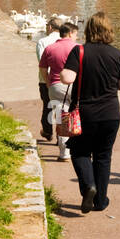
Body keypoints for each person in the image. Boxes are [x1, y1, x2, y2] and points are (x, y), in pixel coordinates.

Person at [60, 12, 120, 213]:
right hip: (111, 114)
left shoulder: (79, 51)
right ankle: (100, 201)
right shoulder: (117, 54)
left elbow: (67, 78)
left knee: (79, 151)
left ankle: (88, 186)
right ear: (109, 31)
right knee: (103, 156)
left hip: (85, 114)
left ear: (89, 30)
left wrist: (63, 70)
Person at [41, 23, 79, 160]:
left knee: (61, 119)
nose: (77, 37)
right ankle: (81, 149)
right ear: (70, 33)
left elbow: (43, 69)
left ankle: (64, 153)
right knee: (78, 116)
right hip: (75, 86)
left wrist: (48, 82)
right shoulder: (78, 48)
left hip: (56, 86)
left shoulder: (49, 48)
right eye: (75, 34)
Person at [36, 17, 63, 142]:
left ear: (50, 27)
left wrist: (47, 81)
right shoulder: (64, 41)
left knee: (47, 107)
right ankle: (60, 136)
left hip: (45, 80)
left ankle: (47, 132)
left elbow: (42, 62)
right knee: (60, 108)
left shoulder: (42, 42)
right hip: (61, 80)